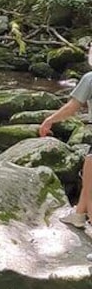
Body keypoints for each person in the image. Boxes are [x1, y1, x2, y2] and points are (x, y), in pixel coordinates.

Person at [39, 56, 92, 231]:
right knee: (89, 178)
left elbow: (72, 107)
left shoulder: (89, 78)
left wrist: (49, 120)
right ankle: (78, 214)